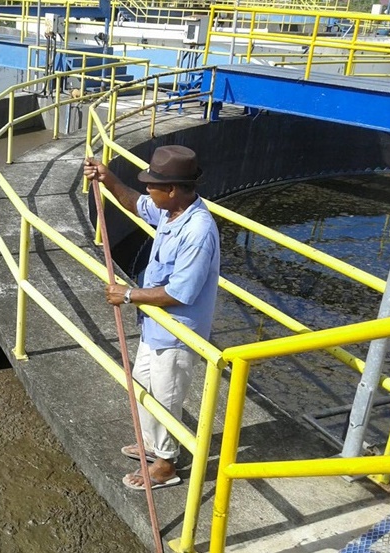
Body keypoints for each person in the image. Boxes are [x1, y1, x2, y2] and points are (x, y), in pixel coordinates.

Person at [83, 145, 220, 491]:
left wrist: (127, 295)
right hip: (155, 326)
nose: (147, 190)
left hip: (177, 334)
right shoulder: (171, 212)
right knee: (144, 385)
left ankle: (165, 465)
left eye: (153, 185)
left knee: (166, 395)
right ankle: (152, 445)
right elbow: (135, 203)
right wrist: (108, 177)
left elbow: (180, 293)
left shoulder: (198, 230)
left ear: (172, 190)